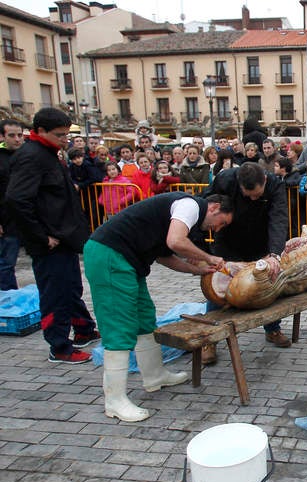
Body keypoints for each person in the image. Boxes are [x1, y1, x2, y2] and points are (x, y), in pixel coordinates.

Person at [84, 192, 233, 421]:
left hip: (128, 261)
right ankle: (114, 400)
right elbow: (176, 242)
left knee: (144, 318)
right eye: (222, 222)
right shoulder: (190, 205)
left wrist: (198, 269)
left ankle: (154, 376)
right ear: (214, 208)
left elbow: (164, 256)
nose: (218, 229)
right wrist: (209, 258)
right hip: (110, 256)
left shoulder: (177, 217)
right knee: (119, 325)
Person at [6, 107, 100, 364]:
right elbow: (17, 200)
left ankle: (83, 329)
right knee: (55, 294)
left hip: (65, 236)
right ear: (39, 131)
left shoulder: (48, 154)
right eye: (59, 135)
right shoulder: (31, 157)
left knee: (71, 288)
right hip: (50, 242)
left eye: (67, 135)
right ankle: (59, 346)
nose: (65, 140)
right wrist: (41, 236)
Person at [202, 162, 289, 361]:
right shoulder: (225, 179)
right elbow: (205, 208)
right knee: (217, 290)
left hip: (260, 241)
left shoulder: (275, 185)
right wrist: (199, 249)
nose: (253, 198)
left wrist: (275, 253)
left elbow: (279, 219)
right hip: (228, 239)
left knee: (267, 286)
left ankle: (272, 329)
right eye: (248, 194)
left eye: (257, 195)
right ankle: (209, 340)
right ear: (239, 184)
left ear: (265, 180)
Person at [0, 119, 24, 289]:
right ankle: (8, 301)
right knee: (6, 263)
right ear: (2, 136)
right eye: (12, 135)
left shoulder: (25, 155)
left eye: (20, 135)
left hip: (24, 217)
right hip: (6, 220)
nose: (17, 139)